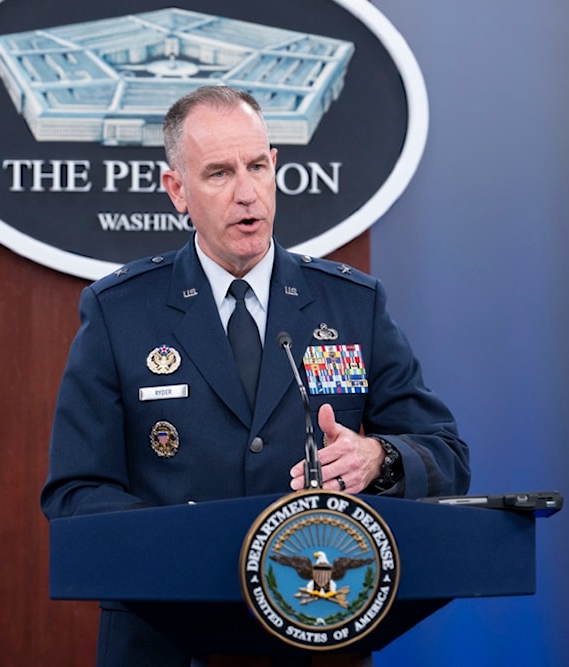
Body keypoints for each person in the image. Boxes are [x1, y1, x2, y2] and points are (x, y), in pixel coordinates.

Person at [40, 85, 470, 666]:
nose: (247, 193)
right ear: (178, 191)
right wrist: (199, 544)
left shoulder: (351, 304)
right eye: (219, 173)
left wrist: (378, 457)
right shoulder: (120, 312)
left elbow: (447, 456)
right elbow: (74, 492)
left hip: (317, 634)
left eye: (258, 166)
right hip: (168, 640)